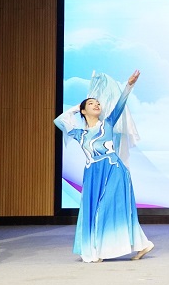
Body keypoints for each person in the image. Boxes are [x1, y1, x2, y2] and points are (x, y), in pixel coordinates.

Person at [54, 70, 154, 262]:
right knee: (94, 209)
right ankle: (142, 244)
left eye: (98, 103)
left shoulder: (107, 124)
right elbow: (59, 121)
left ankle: (101, 250)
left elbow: (120, 103)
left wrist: (129, 85)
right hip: (93, 174)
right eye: (91, 103)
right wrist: (77, 107)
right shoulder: (79, 134)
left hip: (113, 170)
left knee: (106, 208)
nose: (96, 104)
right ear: (84, 111)